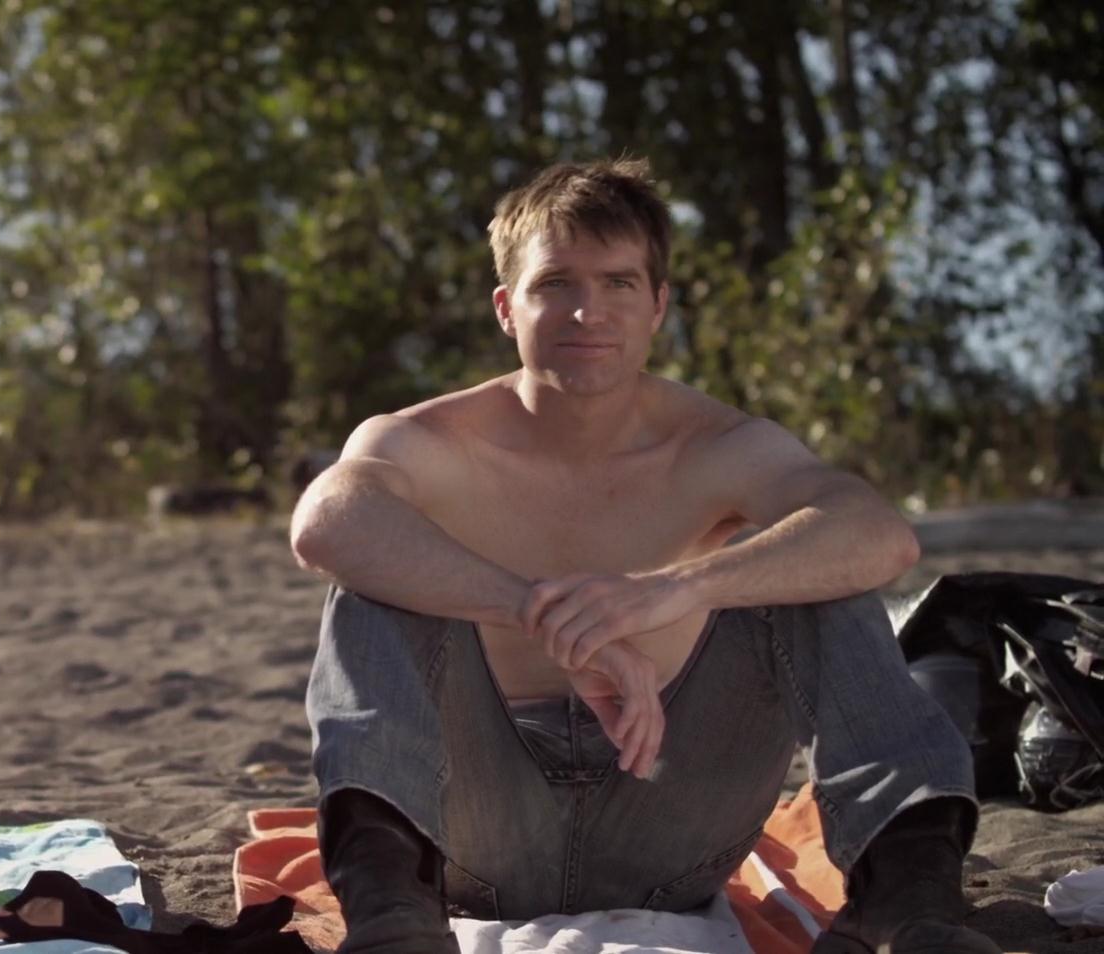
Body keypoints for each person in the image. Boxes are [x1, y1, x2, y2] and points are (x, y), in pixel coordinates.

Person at [290, 159, 998, 954]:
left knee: (815, 567)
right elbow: (325, 522)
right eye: (555, 283)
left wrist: (669, 591)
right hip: (470, 836)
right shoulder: (431, 439)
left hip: (671, 822)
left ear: (658, 305)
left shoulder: (716, 443)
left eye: (619, 283)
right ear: (506, 307)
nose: (587, 311)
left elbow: (880, 534)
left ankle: (905, 905)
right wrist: (546, 614)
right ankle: (392, 922)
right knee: (377, 580)